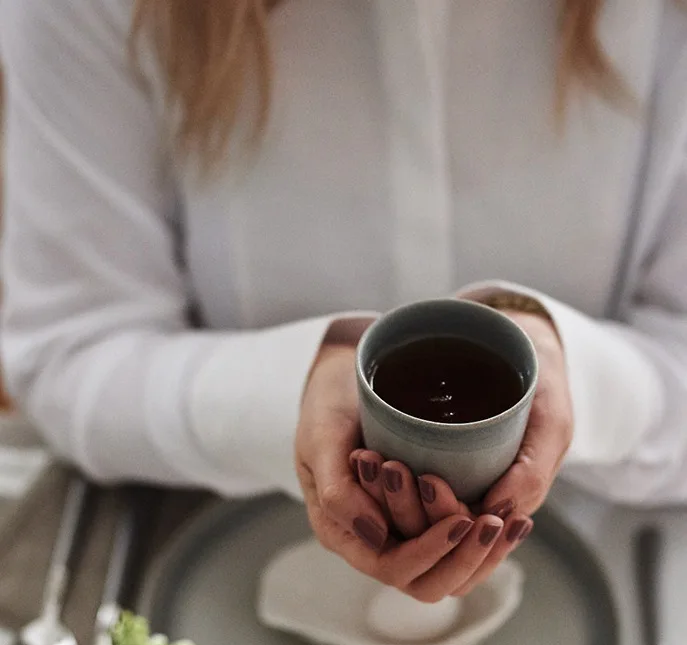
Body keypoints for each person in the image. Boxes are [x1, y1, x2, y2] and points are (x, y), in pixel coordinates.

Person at [2, 0, 687, 603]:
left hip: (624, 580)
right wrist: (290, 389)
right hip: (209, 574)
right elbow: (73, 353)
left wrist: (580, 378)